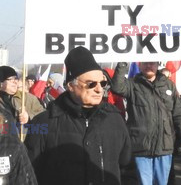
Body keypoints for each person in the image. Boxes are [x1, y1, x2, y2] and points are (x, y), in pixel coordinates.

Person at [25, 46, 131, 185]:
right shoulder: (43, 122)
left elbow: (128, 169)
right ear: (70, 85)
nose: (99, 89)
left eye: (103, 83)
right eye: (91, 84)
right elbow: (28, 173)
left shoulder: (114, 119)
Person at [111, 61, 181, 185]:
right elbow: (116, 87)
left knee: (161, 183)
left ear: (157, 65)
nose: (149, 66)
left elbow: (179, 115)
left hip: (164, 146)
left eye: (152, 63)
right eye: (145, 63)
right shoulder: (132, 84)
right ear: (139, 65)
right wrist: (122, 63)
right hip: (141, 146)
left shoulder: (169, 85)